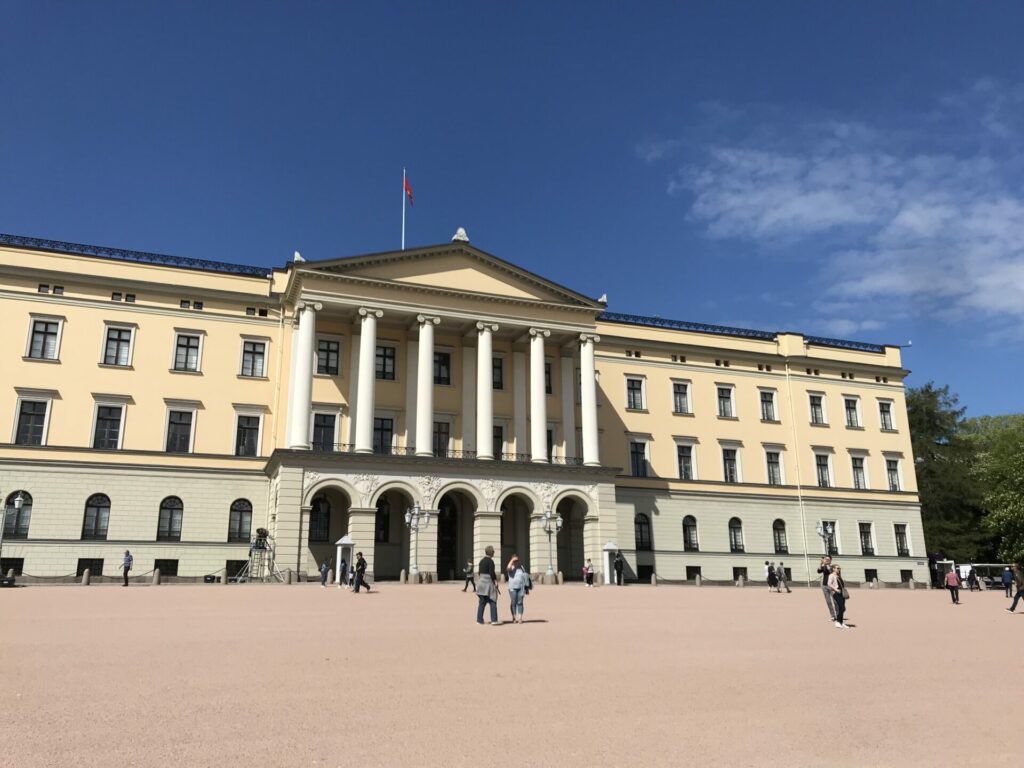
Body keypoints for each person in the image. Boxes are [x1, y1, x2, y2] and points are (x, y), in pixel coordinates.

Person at [476, 545, 500, 625]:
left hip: (481, 583)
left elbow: (479, 573)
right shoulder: (491, 561)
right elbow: (492, 573)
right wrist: (495, 581)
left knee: (482, 603)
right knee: (493, 601)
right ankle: (494, 620)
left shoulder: (481, 561)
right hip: (488, 583)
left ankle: (479, 620)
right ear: (492, 552)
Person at [507, 555, 529, 623]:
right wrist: (512, 561)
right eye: (514, 561)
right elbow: (508, 568)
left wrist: (526, 587)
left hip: (521, 587)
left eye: (517, 560)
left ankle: (520, 618)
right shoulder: (511, 567)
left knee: (520, 602)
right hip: (512, 587)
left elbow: (525, 576)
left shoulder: (521, 567)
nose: (516, 562)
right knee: (513, 602)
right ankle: (514, 617)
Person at [828, 564, 849, 629]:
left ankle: (841, 622)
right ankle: (837, 622)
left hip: (841, 593)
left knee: (842, 608)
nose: (838, 569)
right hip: (836, 593)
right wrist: (836, 590)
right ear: (833, 569)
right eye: (837, 568)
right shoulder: (831, 575)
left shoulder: (838, 575)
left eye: (839, 568)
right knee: (840, 607)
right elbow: (829, 584)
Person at [818, 556, 836, 621]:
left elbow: (833, 573)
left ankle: (838, 614)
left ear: (831, 560)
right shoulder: (824, 566)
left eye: (828, 559)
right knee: (828, 602)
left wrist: (828, 567)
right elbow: (819, 571)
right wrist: (821, 564)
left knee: (835, 601)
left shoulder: (833, 566)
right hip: (825, 585)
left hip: (832, 586)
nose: (826, 560)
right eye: (826, 559)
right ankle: (833, 616)